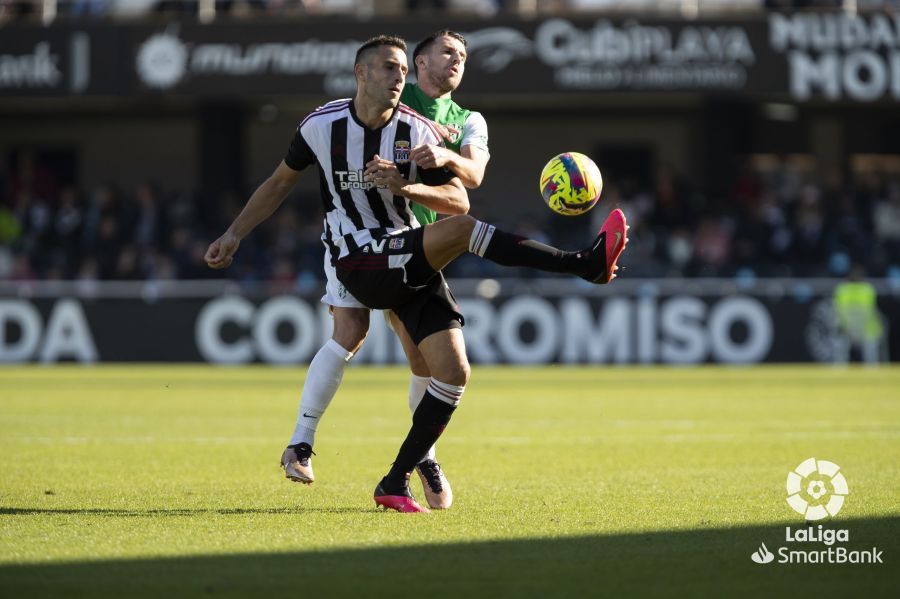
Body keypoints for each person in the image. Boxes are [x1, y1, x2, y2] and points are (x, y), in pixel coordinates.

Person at [205, 35, 629, 513]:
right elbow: (280, 182)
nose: (397, 77)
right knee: (353, 331)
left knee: (451, 372)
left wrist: (406, 182)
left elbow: (460, 200)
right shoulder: (321, 126)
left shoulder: (418, 131)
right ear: (360, 73)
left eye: (402, 70)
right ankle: (582, 264)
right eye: (388, 68)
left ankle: (396, 478)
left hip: (406, 251)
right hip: (355, 256)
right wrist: (235, 234)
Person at [278, 29, 490, 512]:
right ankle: (310, 443)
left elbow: (473, 177)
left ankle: (423, 456)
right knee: (356, 332)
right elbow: (357, 110)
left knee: (424, 361)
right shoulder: (396, 93)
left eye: (463, 56)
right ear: (419, 62)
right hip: (374, 241)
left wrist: (445, 155)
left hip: (433, 240)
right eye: (447, 52)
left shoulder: (467, 119)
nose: (457, 61)